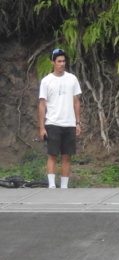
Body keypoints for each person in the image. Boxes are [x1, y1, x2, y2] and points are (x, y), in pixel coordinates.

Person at [38, 48, 82, 189]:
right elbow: (42, 104)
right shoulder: (47, 81)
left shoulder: (72, 79)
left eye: (63, 61)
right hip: (53, 122)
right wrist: (42, 127)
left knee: (67, 155)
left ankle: (64, 186)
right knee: (52, 154)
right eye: (59, 61)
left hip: (69, 123)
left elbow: (76, 101)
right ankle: (52, 185)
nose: (62, 64)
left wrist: (78, 122)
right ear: (53, 62)